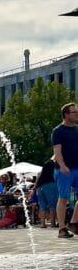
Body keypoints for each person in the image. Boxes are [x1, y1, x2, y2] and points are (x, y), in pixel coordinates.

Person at [52, 101, 78, 238]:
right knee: (63, 198)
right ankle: (62, 229)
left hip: (77, 168)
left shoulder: (77, 129)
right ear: (66, 115)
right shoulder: (58, 131)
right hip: (64, 170)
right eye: (74, 112)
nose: (77, 114)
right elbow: (57, 151)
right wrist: (62, 165)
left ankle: (73, 223)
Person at [33, 158, 58, 229]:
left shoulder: (42, 173)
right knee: (52, 205)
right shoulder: (53, 172)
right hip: (50, 186)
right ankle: (52, 223)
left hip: (40, 187)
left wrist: (34, 188)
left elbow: (37, 178)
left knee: (42, 206)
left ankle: (42, 223)